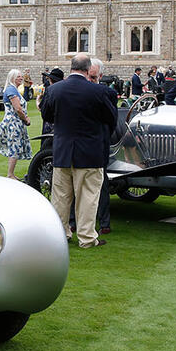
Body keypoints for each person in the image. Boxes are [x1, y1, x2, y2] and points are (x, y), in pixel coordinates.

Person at [40, 52, 118, 249]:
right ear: (87, 69)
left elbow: (46, 115)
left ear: (71, 68)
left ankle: (61, 234)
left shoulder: (55, 90)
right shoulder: (98, 92)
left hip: (63, 150)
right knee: (88, 197)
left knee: (61, 197)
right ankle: (87, 237)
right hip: (89, 151)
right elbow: (111, 119)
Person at [89, 58, 118, 236]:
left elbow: (112, 120)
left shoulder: (107, 93)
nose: (91, 80)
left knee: (101, 184)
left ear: (100, 76)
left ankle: (104, 222)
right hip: (82, 144)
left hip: (99, 143)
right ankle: (73, 222)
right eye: (89, 76)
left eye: (94, 77)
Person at [0, 68, 32, 180]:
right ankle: (10, 174)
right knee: (14, 147)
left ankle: (11, 173)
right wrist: (26, 119)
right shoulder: (11, 90)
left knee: (16, 147)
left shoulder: (14, 90)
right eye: (18, 76)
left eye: (21, 76)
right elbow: (18, 109)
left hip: (16, 122)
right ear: (12, 78)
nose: (21, 78)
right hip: (13, 123)